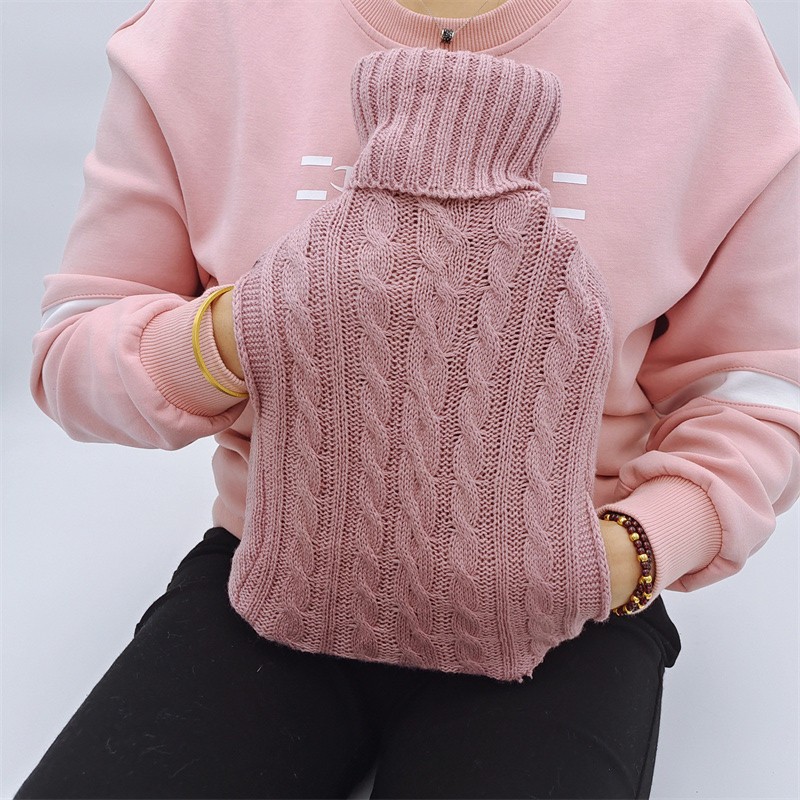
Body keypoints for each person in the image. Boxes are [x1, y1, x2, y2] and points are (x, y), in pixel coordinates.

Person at [14, 0, 799, 798]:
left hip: (569, 595)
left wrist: (624, 556)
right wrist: (242, 328)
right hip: (277, 565)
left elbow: (757, 399)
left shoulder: (702, 42)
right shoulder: (203, 27)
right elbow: (73, 352)